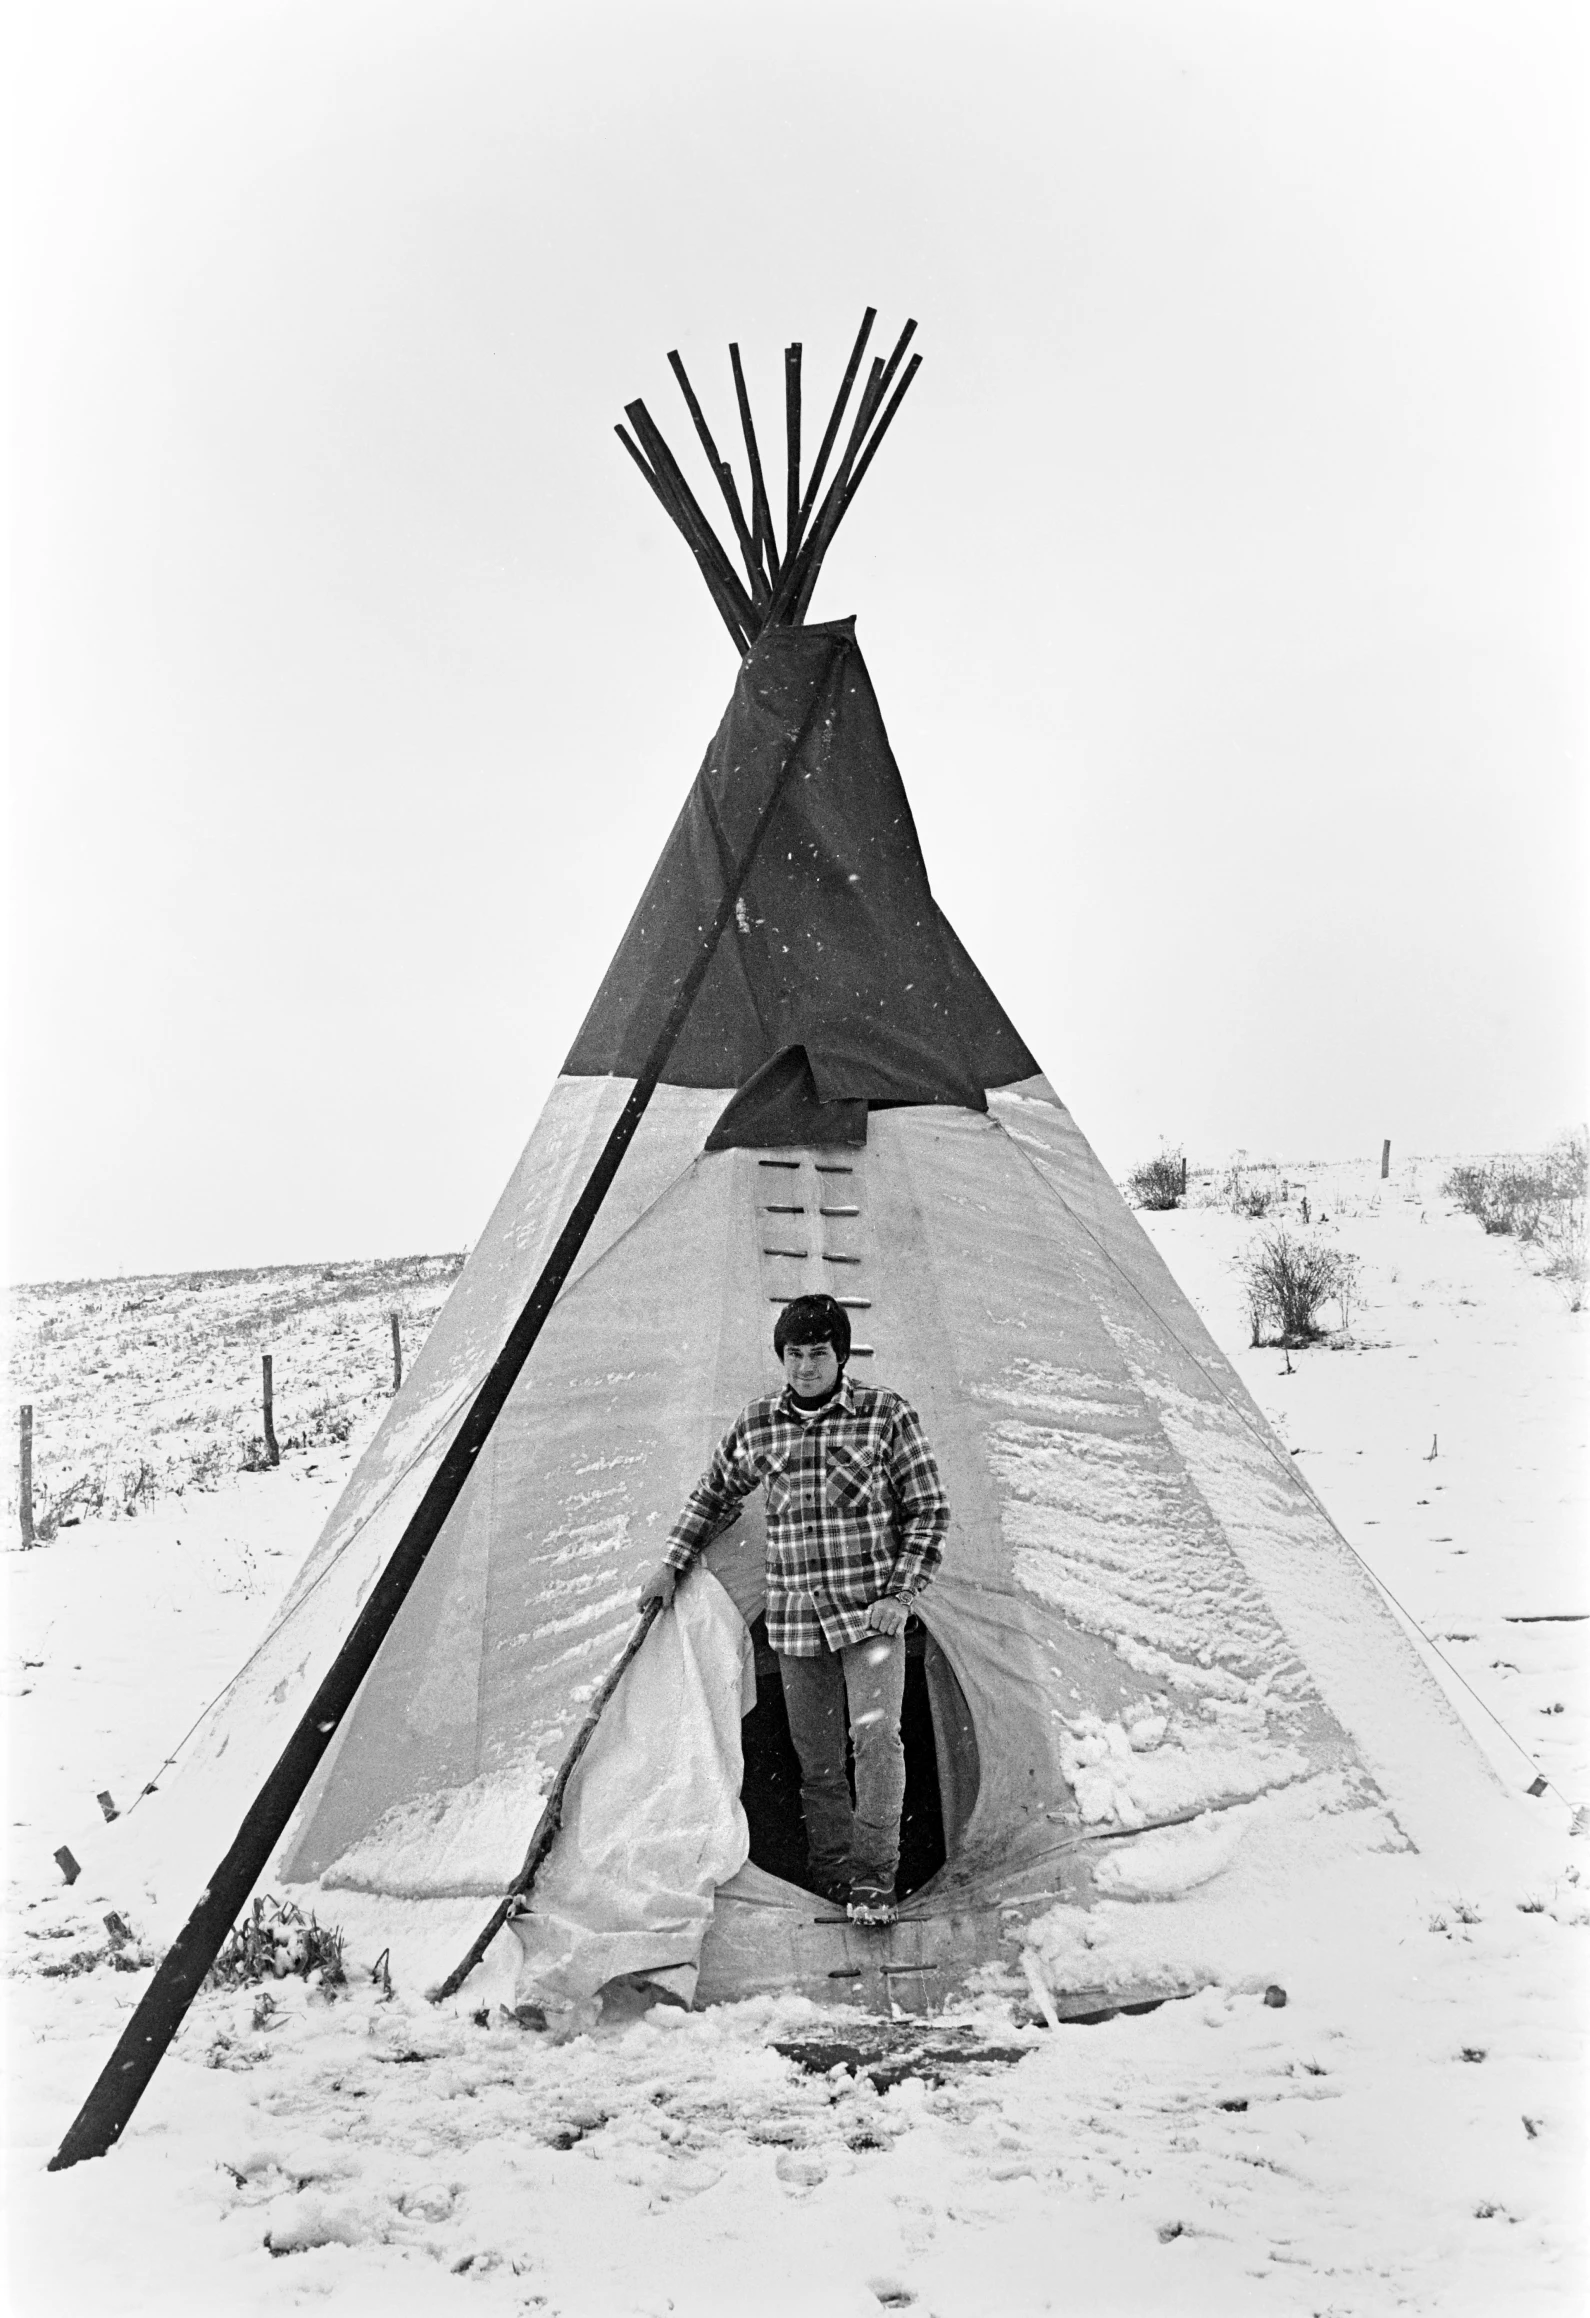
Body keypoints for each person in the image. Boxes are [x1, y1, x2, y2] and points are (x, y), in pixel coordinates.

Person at [636, 1293, 950, 1927]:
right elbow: (715, 1493)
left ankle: (874, 1878)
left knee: (878, 1741)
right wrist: (671, 1564)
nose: (807, 1367)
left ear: (841, 1354)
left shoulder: (884, 1416)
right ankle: (832, 1875)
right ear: (782, 1358)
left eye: (820, 1353)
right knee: (818, 1759)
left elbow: (929, 1510)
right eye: (795, 1355)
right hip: (796, 1619)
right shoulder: (759, 1425)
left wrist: (900, 1594)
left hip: (869, 1618)